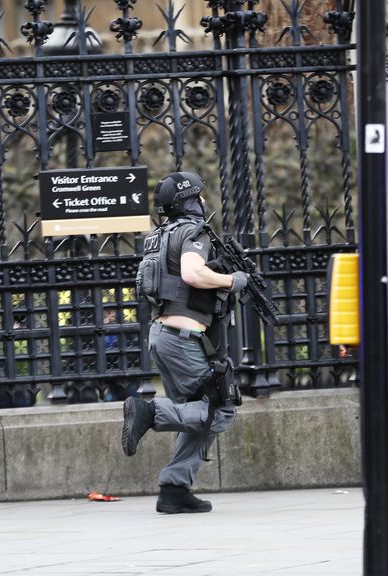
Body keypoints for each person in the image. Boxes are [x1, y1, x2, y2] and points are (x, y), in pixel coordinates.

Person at [121, 171, 248, 514]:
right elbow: (193, 274)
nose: (205, 202)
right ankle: (149, 412)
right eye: (200, 196)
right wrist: (232, 280)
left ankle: (174, 488)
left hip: (163, 335)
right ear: (190, 201)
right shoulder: (194, 232)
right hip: (181, 339)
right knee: (220, 410)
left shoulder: (158, 236)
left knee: (197, 414)